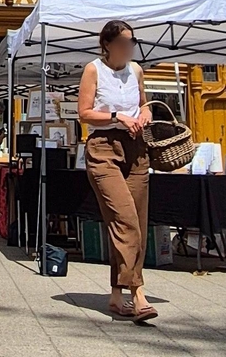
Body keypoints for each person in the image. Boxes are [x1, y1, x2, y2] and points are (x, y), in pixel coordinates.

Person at [77, 19, 156, 323]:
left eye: (132, 42)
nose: (129, 47)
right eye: (124, 42)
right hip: (103, 149)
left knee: (137, 221)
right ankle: (138, 294)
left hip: (136, 150)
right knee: (125, 220)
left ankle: (115, 293)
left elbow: (145, 104)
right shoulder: (93, 70)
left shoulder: (136, 71)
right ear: (108, 44)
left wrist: (145, 115)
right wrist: (117, 116)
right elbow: (84, 113)